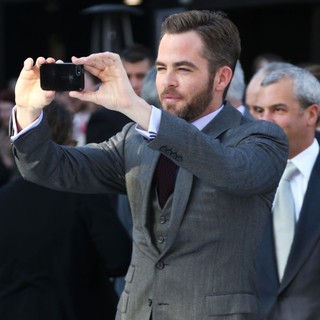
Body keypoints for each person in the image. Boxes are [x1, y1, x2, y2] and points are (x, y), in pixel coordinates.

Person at [11, 10, 288, 320]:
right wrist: (27, 110)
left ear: (221, 77)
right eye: (161, 67)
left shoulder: (260, 137)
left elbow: (234, 171)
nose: (166, 82)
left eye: (183, 69)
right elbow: (52, 168)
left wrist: (137, 108)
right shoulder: (135, 138)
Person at [0, 100, 132, 320]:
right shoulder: (84, 193)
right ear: (68, 135)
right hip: (77, 310)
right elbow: (118, 259)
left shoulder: (3, 197)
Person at [246, 64, 320, 319]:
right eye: (257, 111)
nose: (264, 122)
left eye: (278, 110)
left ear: (311, 114)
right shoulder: (241, 174)